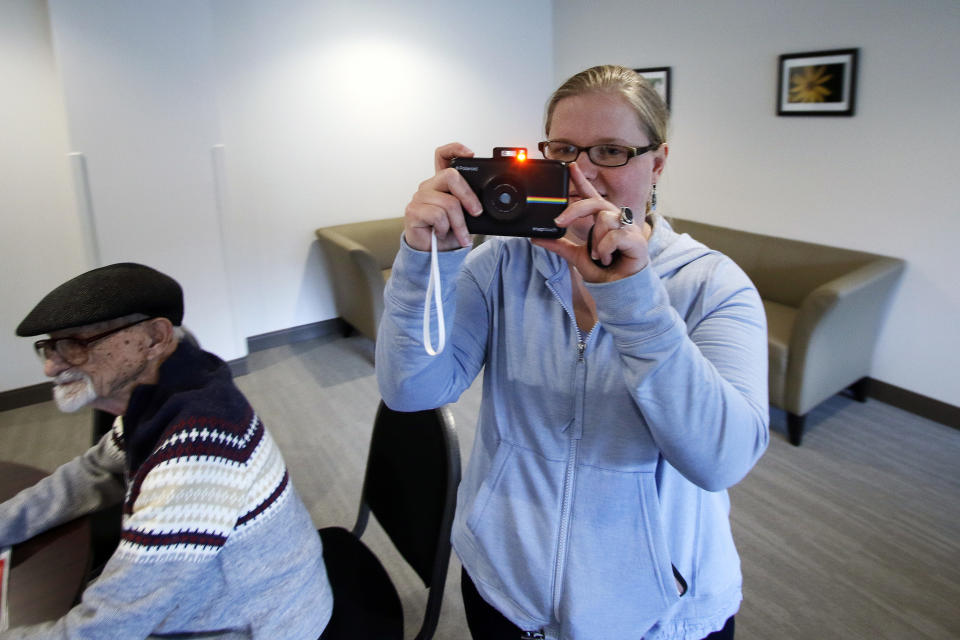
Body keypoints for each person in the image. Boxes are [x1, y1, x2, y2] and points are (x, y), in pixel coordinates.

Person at [376, 65, 769, 639]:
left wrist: (631, 300)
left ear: (657, 163)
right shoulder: (502, 266)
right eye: (564, 150)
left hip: (658, 614)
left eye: (611, 151)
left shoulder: (712, 286)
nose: (583, 172)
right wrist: (425, 257)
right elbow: (410, 390)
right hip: (507, 590)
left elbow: (721, 460)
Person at [0, 263, 332, 639]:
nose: (50, 367)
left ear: (155, 338)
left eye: (74, 345)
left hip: (256, 625)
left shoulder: (195, 458)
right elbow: (96, 471)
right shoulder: (169, 389)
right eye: (48, 347)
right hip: (226, 598)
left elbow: (102, 631)